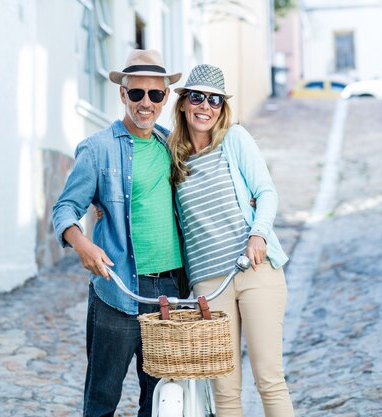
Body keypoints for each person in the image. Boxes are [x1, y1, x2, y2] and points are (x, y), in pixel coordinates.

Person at [52, 49, 183, 417]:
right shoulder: (97, 149)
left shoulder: (172, 145)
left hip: (169, 292)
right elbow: (64, 208)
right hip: (118, 287)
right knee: (101, 400)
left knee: (161, 402)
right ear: (122, 94)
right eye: (137, 93)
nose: (146, 102)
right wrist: (82, 245)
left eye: (155, 94)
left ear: (165, 98)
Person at [167, 64, 295, 417]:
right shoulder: (172, 156)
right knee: (224, 390)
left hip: (255, 270)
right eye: (197, 97)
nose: (205, 106)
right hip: (210, 283)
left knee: (269, 379)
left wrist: (258, 234)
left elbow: (266, 192)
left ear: (222, 107)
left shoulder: (234, 139)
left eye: (215, 100)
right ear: (182, 104)